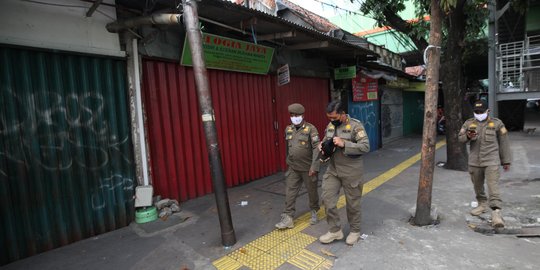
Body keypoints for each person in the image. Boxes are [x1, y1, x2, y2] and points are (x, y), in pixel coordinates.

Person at [318, 100, 370, 245]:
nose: (331, 121)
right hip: (333, 170)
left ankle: (355, 231)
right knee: (327, 199)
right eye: (329, 118)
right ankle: (335, 231)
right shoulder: (330, 126)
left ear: (342, 113)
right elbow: (326, 142)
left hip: (351, 171)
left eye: (334, 118)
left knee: (353, 204)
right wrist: (322, 147)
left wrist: (344, 143)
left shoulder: (355, 126)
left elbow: (365, 147)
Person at [458, 99, 512, 228]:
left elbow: (504, 143)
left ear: (488, 111)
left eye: (481, 111)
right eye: (476, 111)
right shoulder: (469, 123)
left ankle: (496, 212)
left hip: (491, 161)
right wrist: (468, 137)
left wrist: (506, 161)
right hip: (474, 161)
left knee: (493, 186)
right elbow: (460, 138)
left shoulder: (497, 124)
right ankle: (482, 204)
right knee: (477, 186)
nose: (478, 113)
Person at [275, 103, 321, 229]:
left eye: (297, 115)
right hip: (293, 168)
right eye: (292, 115)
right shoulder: (288, 129)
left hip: (308, 168)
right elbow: (288, 148)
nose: (294, 117)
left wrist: (314, 167)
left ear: (302, 115)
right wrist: (288, 162)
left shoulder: (311, 129)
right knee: (290, 192)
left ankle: (314, 211)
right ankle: (288, 217)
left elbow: (317, 149)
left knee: (312, 192)